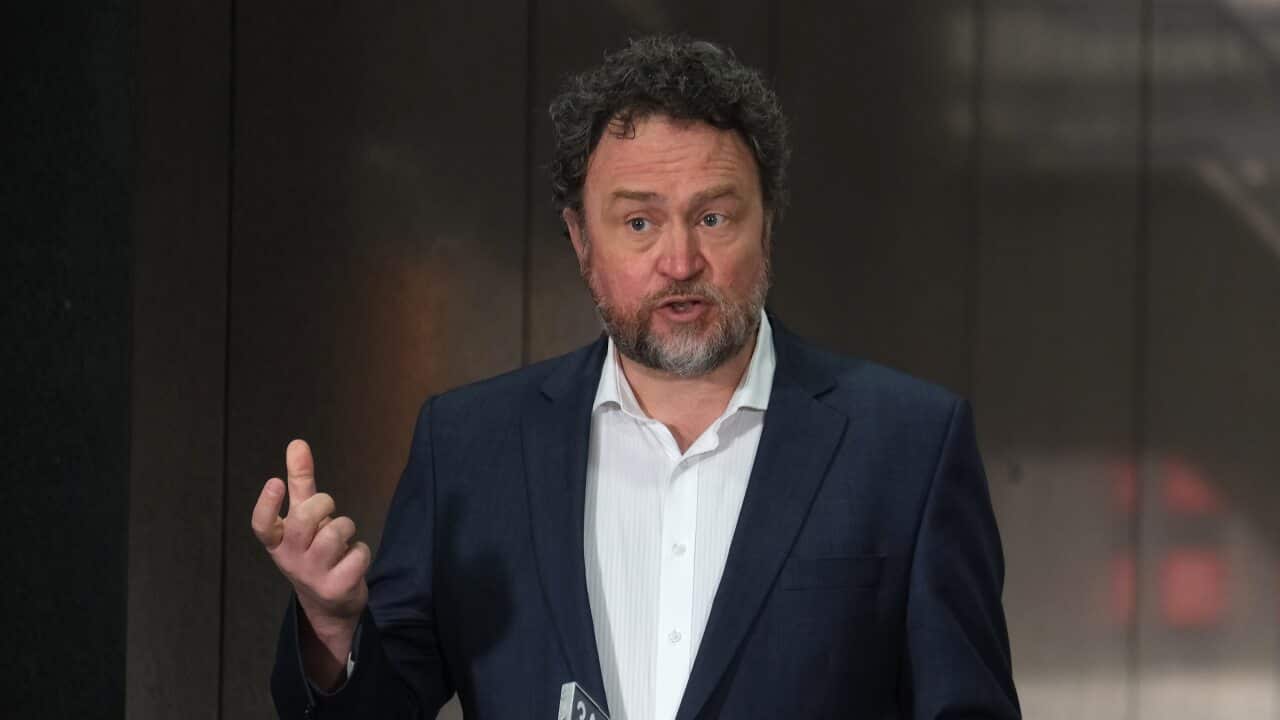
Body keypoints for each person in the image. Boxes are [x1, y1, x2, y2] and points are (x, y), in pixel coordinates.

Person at [253, 36, 1020, 720]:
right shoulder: (469, 447)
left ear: (768, 225)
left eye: (715, 218)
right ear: (582, 240)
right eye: (639, 222)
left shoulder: (908, 445)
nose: (681, 261)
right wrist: (330, 627)